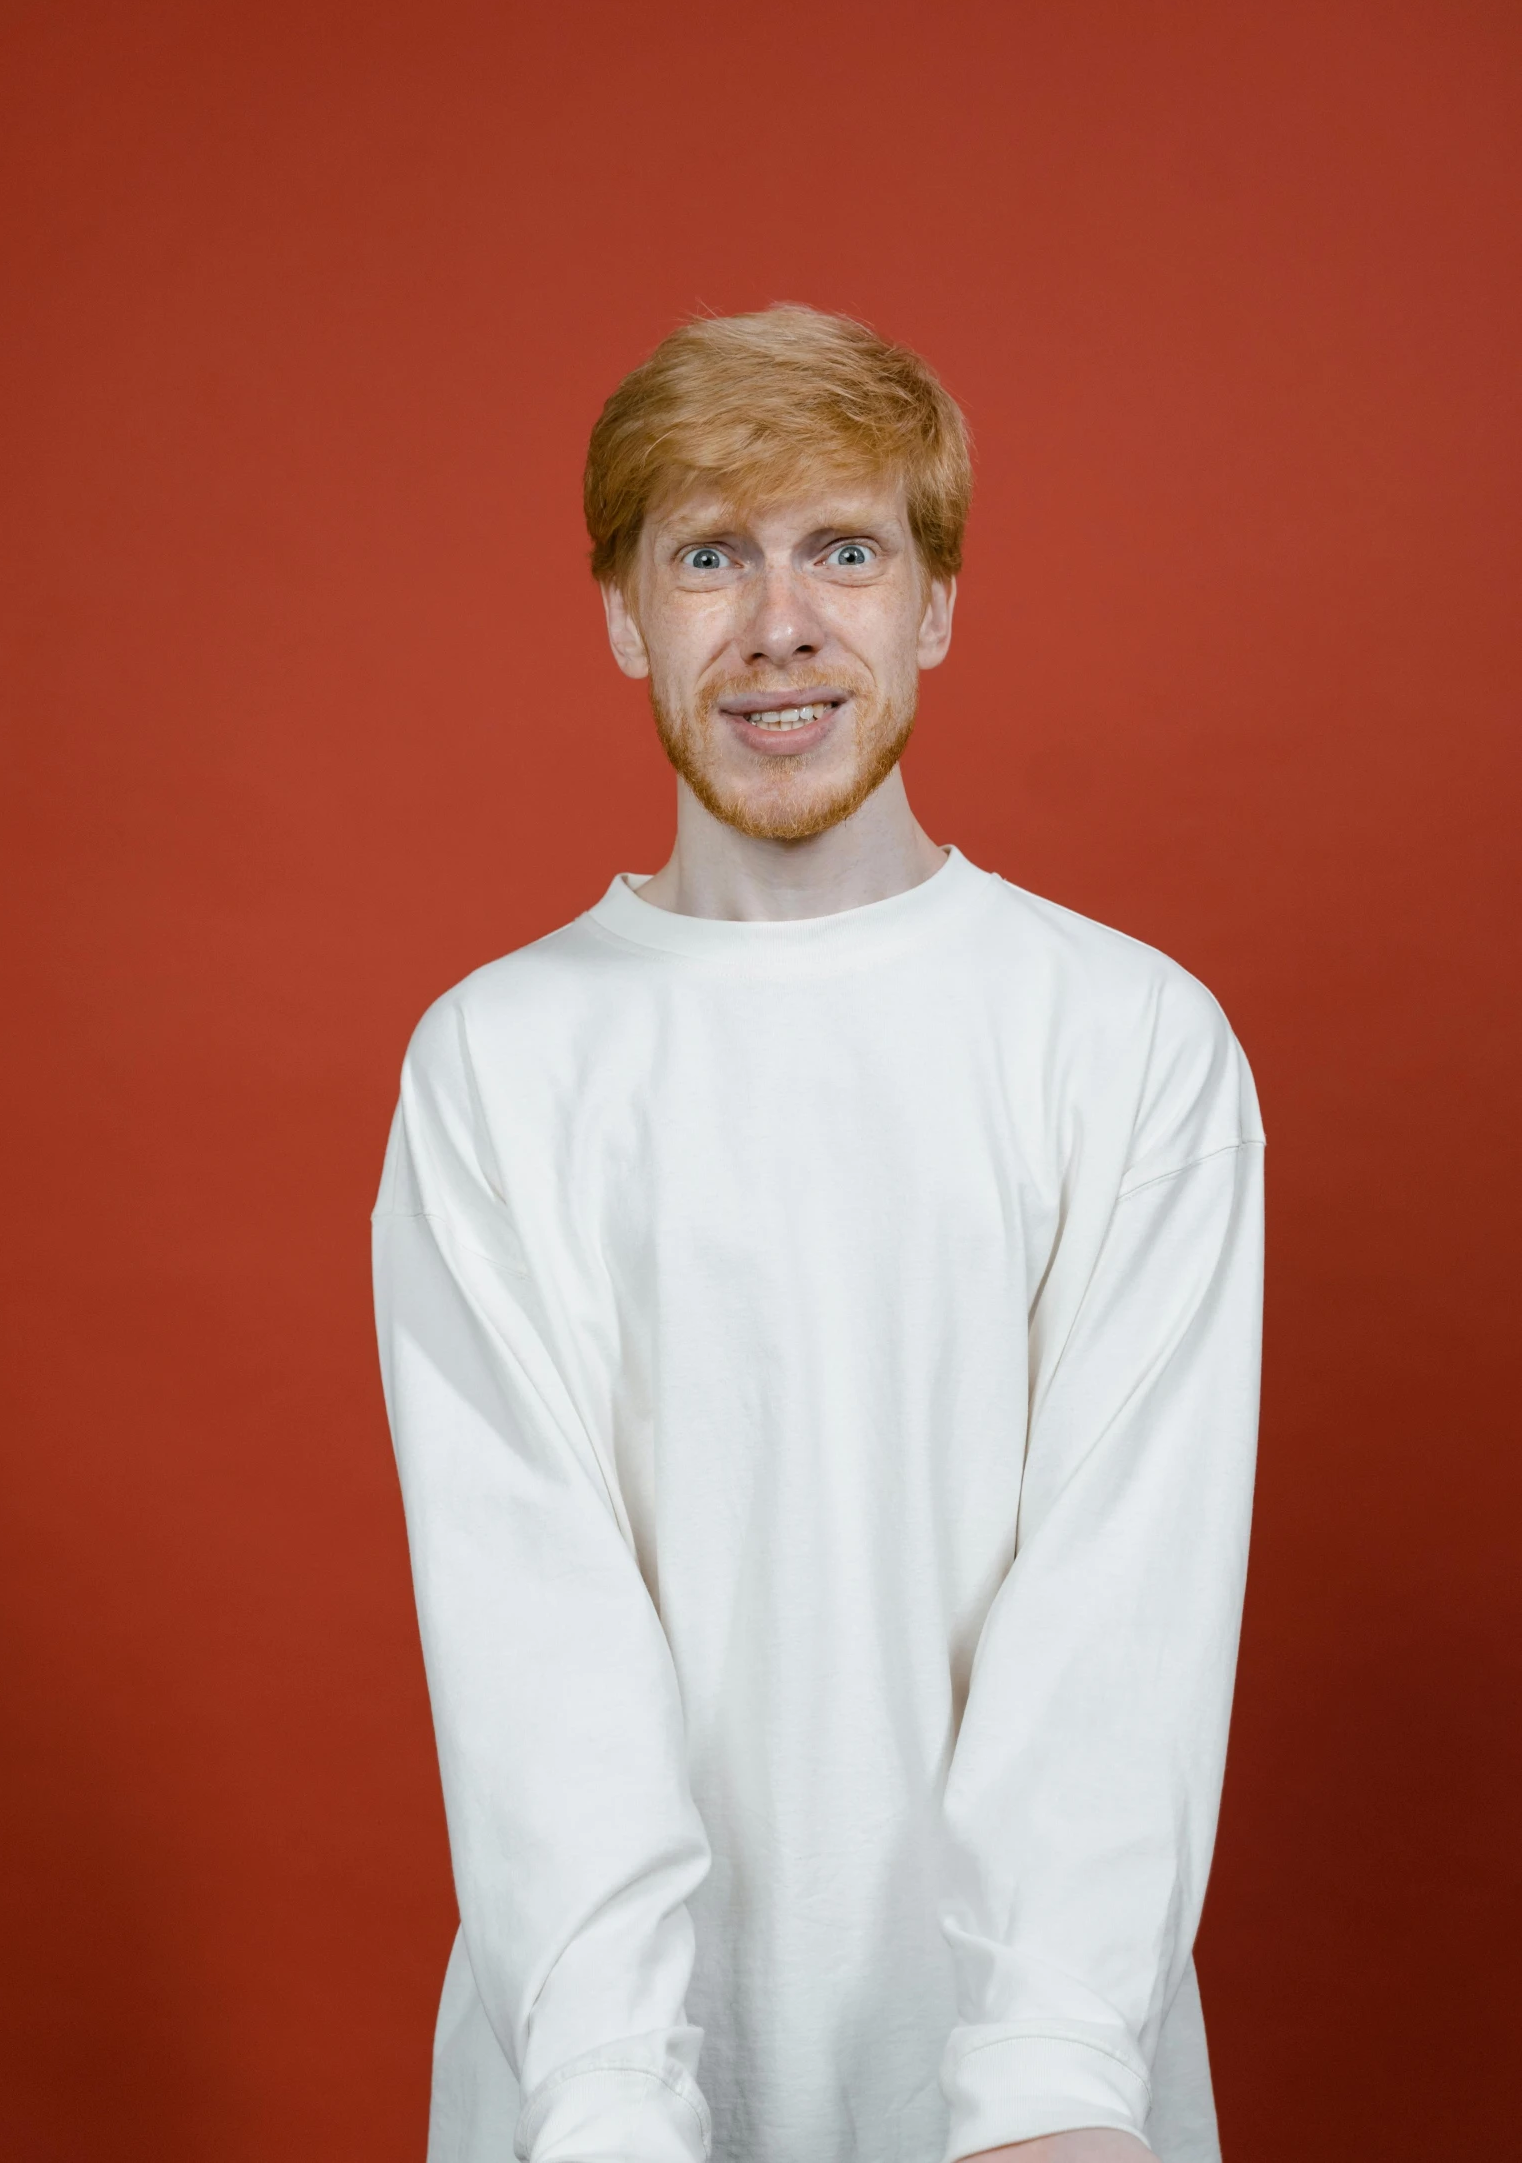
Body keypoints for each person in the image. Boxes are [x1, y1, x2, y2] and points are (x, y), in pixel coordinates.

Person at [372, 306, 1264, 2163]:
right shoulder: (496, 1063)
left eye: (842, 549)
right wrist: (611, 2096)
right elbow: (530, 1621)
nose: (779, 622)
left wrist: (1047, 2079)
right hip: (586, 2104)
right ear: (625, 614)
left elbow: (1125, 1603)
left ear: (934, 601)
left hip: (1039, 2104)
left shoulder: (1125, 1041)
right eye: (710, 554)